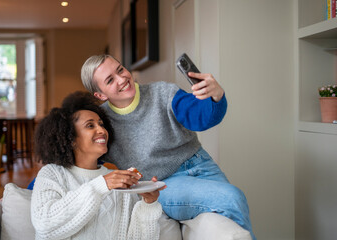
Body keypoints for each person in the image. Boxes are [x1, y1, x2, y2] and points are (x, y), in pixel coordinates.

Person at [81, 54, 256, 239]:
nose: (122, 79)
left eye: (120, 69)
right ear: (100, 95)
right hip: (164, 184)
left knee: (231, 226)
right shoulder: (103, 123)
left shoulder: (163, 92)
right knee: (232, 198)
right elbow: (85, 154)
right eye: (110, 80)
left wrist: (215, 97)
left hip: (203, 166)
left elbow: (201, 117)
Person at [31, 91, 172, 240]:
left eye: (101, 124)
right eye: (90, 125)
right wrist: (101, 185)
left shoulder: (118, 179)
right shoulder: (52, 174)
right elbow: (44, 226)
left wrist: (148, 204)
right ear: (71, 138)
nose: (101, 130)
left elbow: (136, 237)